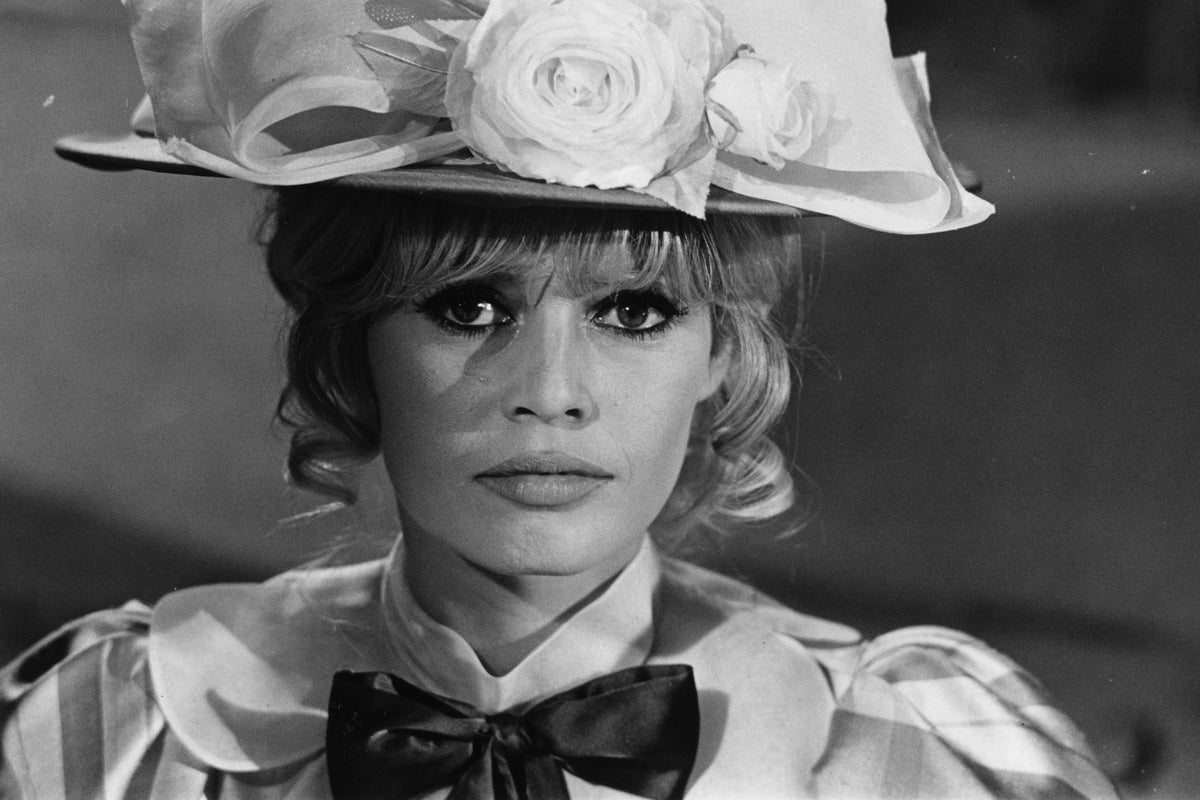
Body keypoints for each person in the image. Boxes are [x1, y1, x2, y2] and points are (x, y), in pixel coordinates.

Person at [0, 0, 1118, 797]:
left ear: (721, 354)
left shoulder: (909, 751)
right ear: (352, 349)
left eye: (633, 311)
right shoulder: (120, 730)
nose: (550, 394)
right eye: (467, 306)